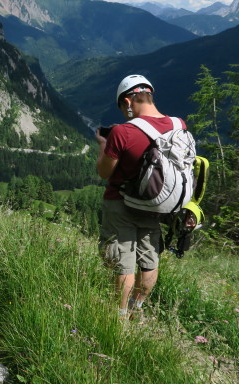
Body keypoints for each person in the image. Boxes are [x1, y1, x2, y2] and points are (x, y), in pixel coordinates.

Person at [95, 74, 188, 322]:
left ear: (127, 101)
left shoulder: (122, 132)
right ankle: (138, 307)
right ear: (149, 94)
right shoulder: (179, 126)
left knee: (123, 262)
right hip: (157, 205)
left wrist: (104, 144)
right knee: (149, 259)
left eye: (122, 106)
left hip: (121, 202)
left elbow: (105, 171)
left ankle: (120, 316)